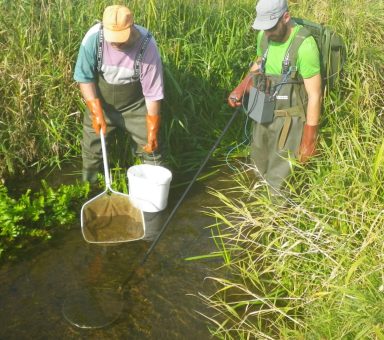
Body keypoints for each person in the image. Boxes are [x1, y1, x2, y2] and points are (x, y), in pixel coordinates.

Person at [228, 0, 322, 193]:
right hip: (261, 110)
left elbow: (315, 95)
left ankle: (278, 217)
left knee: (279, 182)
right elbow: (258, 65)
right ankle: (256, 215)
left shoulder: (305, 46)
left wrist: (309, 140)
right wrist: (241, 88)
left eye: (271, 27)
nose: (267, 33)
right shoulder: (264, 36)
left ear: (285, 17)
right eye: (263, 28)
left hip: (288, 121)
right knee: (258, 168)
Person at [74, 5, 164, 183]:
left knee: (152, 151)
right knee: (92, 151)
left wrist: (152, 128)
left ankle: (151, 196)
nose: (115, 43)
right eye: (112, 39)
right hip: (101, 103)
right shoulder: (93, 39)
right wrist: (95, 110)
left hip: (136, 106)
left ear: (132, 27)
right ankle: (89, 190)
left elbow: (152, 94)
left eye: (120, 38)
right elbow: (84, 78)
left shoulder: (147, 45)